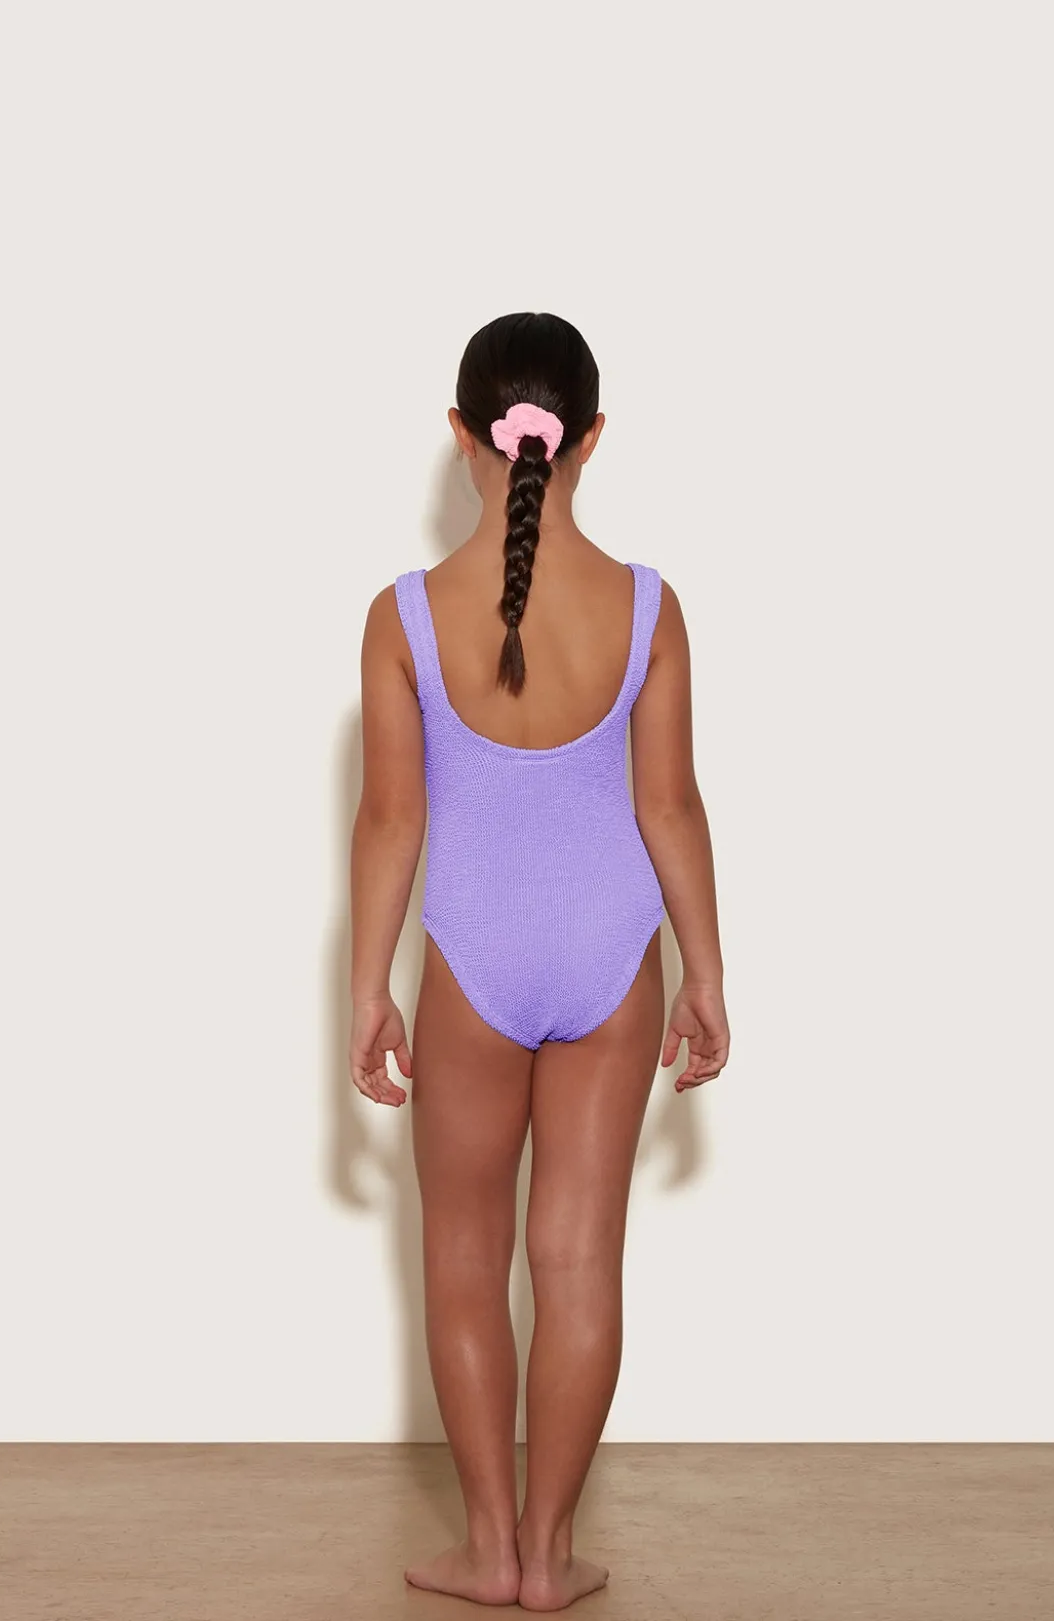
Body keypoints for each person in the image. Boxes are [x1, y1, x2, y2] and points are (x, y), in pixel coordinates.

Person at [348, 310, 730, 1611]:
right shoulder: (648, 607)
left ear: (460, 436)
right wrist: (705, 974)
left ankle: (488, 1546)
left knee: (464, 1257)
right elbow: (669, 805)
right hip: (614, 955)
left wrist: (366, 991)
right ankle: (553, 1556)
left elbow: (390, 818)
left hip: (473, 958)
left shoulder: (404, 616)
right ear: (591, 438)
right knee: (576, 1264)